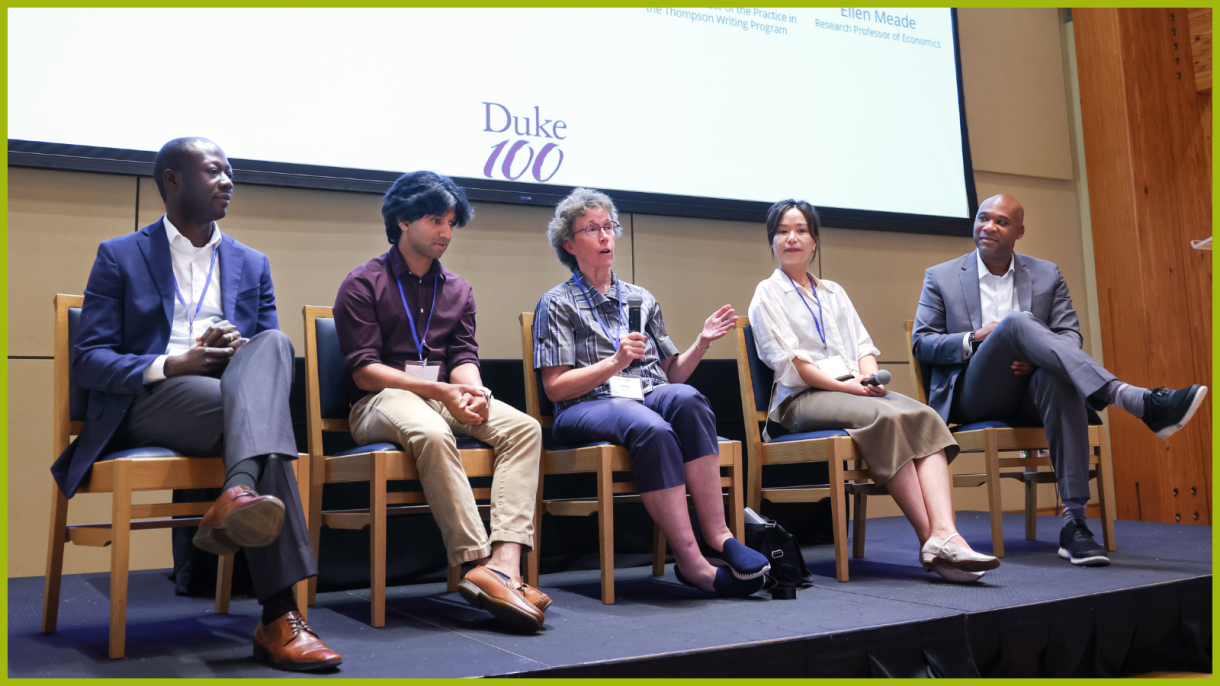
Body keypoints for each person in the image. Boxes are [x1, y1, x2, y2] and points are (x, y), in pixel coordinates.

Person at [52, 137, 341, 670]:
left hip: (227, 401)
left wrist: (237, 349)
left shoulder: (252, 263)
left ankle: (238, 493)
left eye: (231, 172)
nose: (228, 181)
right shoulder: (121, 255)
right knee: (268, 431)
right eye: (214, 171)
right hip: (148, 401)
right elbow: (88, 360)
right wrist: (173, 364)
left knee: (273, 346)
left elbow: (266, 367)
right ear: (173, 180)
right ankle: (281, 616)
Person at [913, 193, 1207, 567]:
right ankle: (1131, 398)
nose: (989, 226)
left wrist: (1038, 362)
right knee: (1016, 322)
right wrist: (975, 338)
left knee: (1059, 377)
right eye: (983, 218)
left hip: (1033, 388)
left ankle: (1075, 525)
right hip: (976, 391)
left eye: (1001, 222)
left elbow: (1069, 337)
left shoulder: (1047, 273)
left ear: (1020, 232)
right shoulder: (941, 276)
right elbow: (923, 342)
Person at [332, 171, 548, 633]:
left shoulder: (458, 290)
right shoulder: (362, 283)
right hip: (378, 402)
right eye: (436, 220)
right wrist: (443, 392)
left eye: (452, 222)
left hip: (441, 395)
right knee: (431, 430)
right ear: (403, 219)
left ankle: (506, 563)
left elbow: (463, 357)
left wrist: (471, 390)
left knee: (524, 428)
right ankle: (476, 563)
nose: (447, 233)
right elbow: (364, 369)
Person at [532, 187, 770, 598]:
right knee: (652, 427)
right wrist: (614, 364)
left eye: (609, 227)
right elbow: (555, 389)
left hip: (646, 393)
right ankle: (693, 564)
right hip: (586, 406)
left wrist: (701, 343)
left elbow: (672, 374)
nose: (606, 236)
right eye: (592, 229)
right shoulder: (556, 304)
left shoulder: (640, 298)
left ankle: (720, 536)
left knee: (689, 400)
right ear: (569, 244)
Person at [749, 199, 999, 584]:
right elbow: (790, 364)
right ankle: (929, 539)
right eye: (782, 231)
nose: (791, 238)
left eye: (800, 230)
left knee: (924, 415)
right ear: (772, 242)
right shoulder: (766, 293)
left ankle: (948, 534)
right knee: (882, 417)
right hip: (800, 400)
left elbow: (863, 347)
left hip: (851, 391)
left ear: (815, 240)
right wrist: (846, 387)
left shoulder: (833, 292)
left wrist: (870, 380)